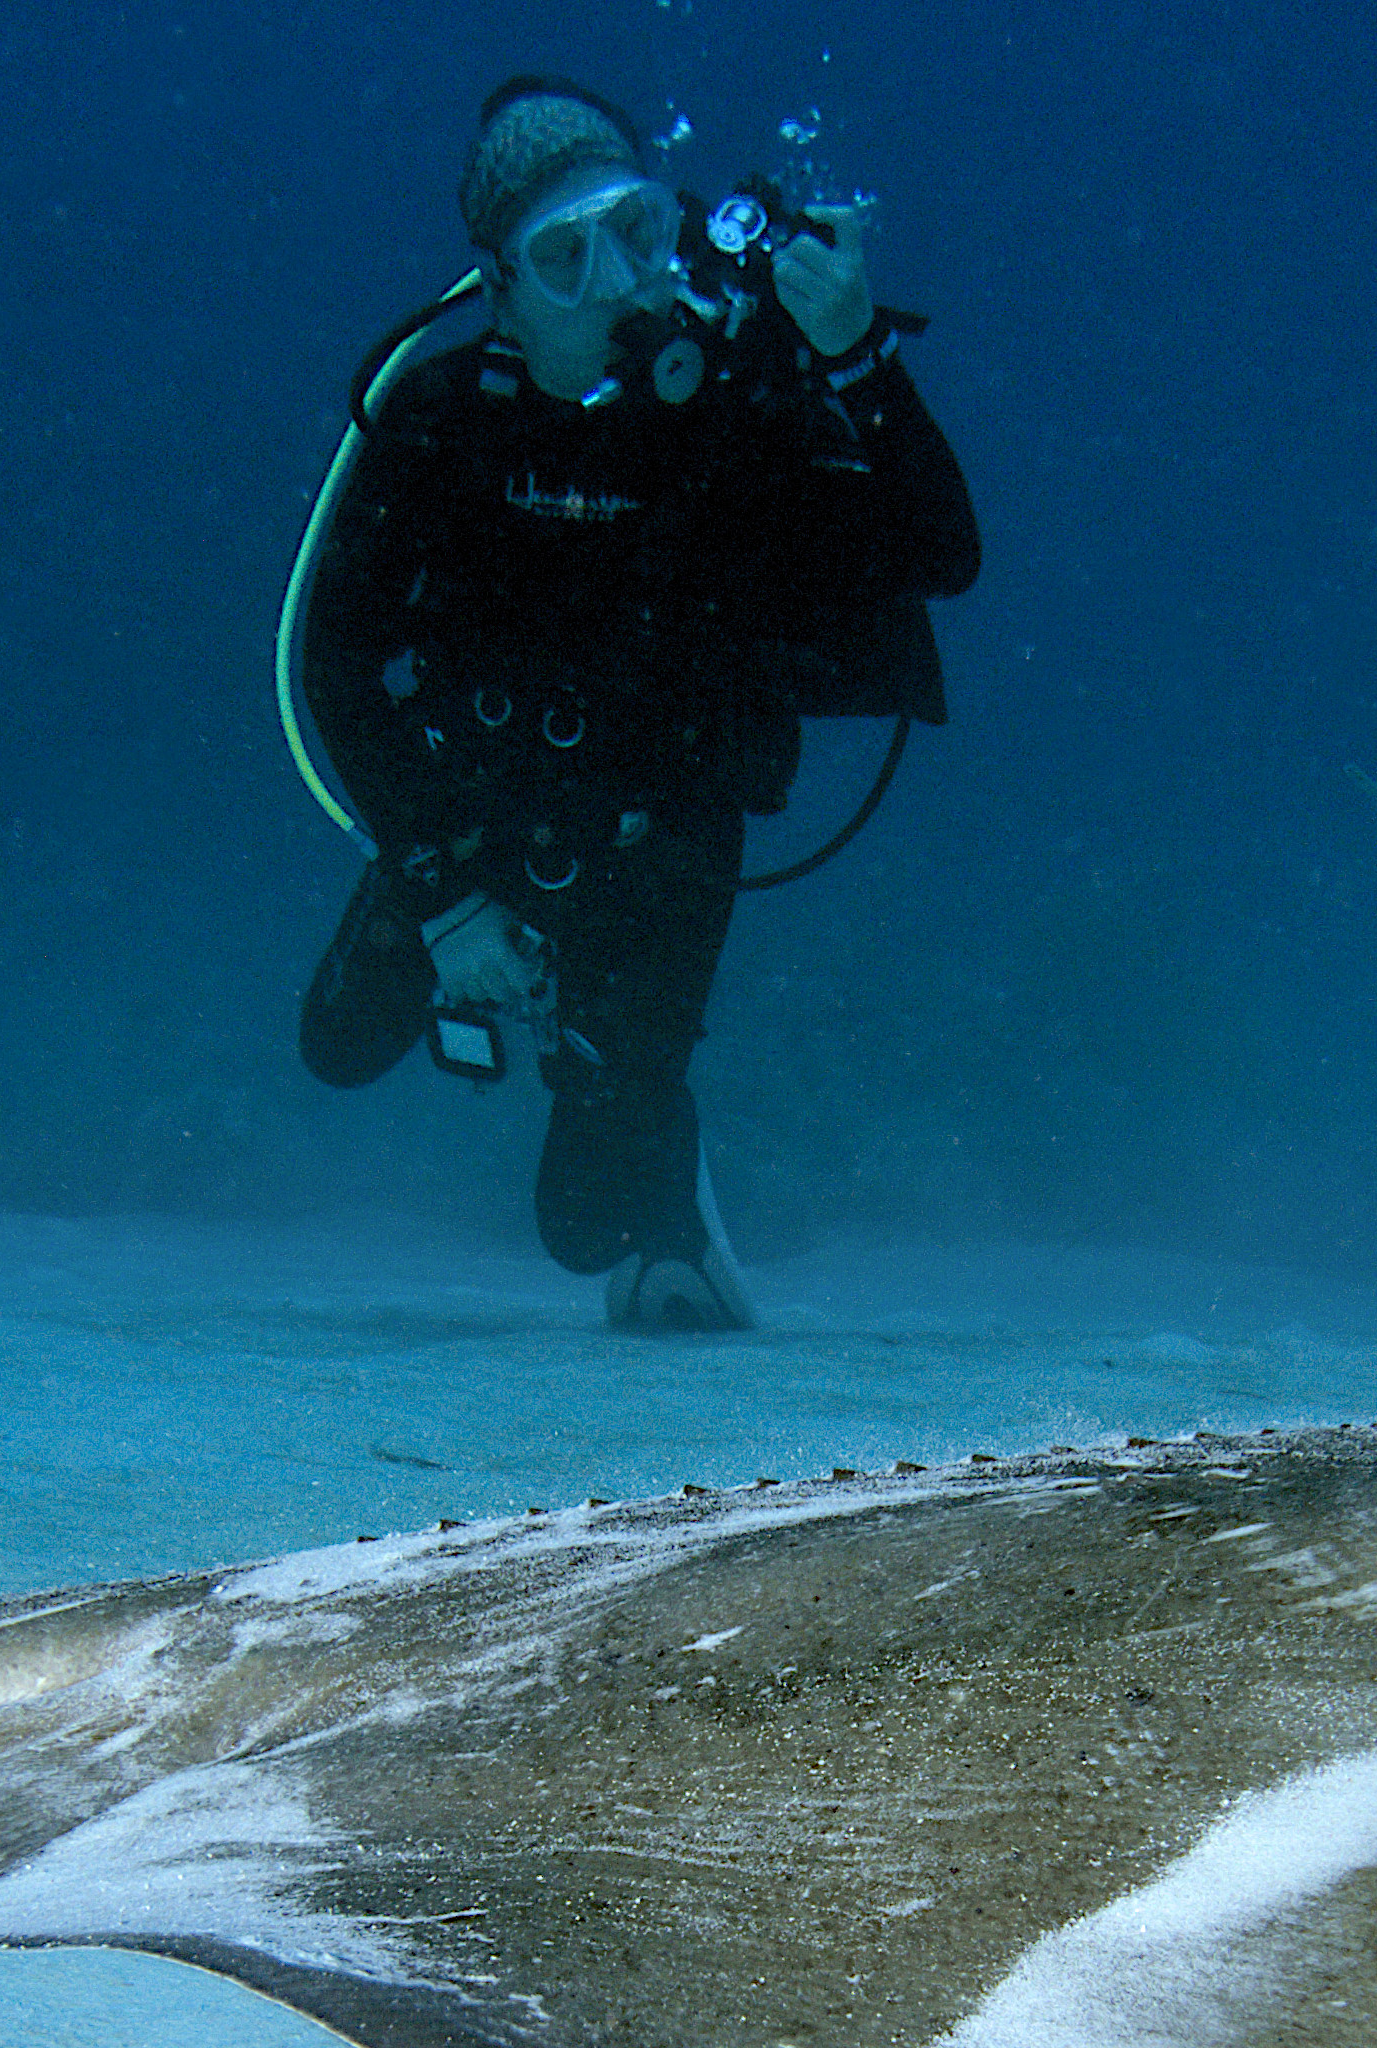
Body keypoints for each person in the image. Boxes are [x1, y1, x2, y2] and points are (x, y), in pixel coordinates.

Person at [294, 78, 981, 1331]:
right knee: (334, 1048)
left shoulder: (739, 401)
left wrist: (857, 353)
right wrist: (447, 904)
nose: (616, 281)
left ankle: (662, 1180)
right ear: (500, 286)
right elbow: (332, 667)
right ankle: (452, 931)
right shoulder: (440, 421)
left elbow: (941, 553)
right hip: (470, 815)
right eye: (564, 257)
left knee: (583, 1232)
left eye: (640, 233)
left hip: (662, 843)